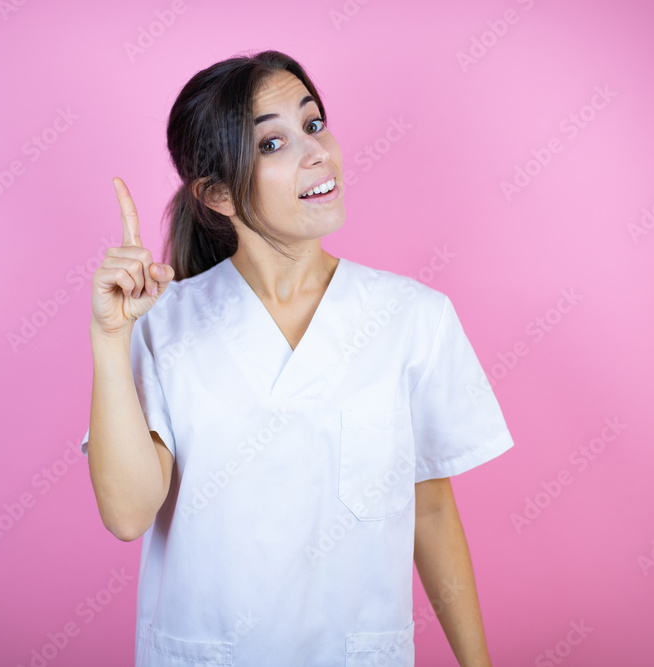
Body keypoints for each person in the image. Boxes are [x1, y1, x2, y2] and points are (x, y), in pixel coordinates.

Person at [80, 49, 515, 667]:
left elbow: (432, 507)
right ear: (218, 194)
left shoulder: (414, 319)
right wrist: (109, 338)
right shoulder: (163, 324)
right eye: (272, 143)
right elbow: (127, 514)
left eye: (313, 125)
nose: (318, 152)